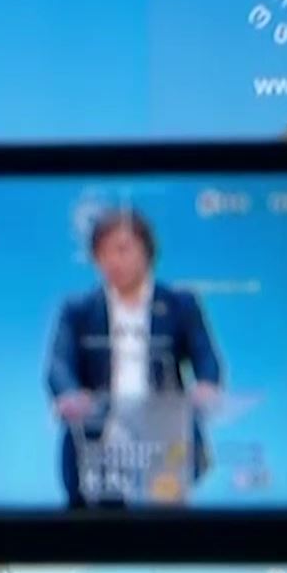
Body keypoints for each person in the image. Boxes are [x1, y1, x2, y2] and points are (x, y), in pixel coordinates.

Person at [45, 207, 224, 507]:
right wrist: (69, 394)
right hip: (97, 444)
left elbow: (206, 357)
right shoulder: (78, 310)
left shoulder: (181, 304)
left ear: (147, 251)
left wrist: (207, 385)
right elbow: (58, 365)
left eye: (122, 250)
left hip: (164, 440)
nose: (112, 261)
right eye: (102, 253)